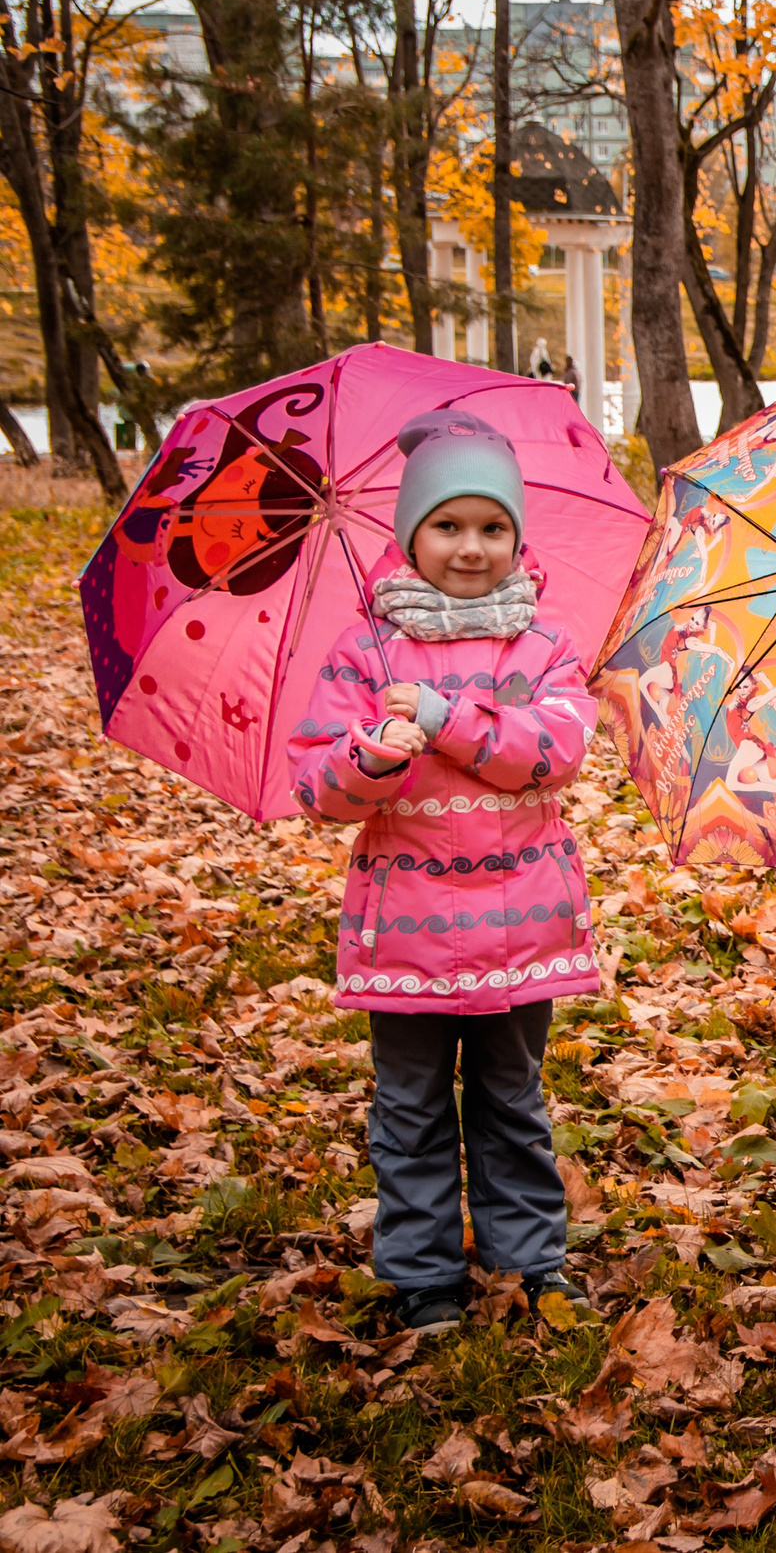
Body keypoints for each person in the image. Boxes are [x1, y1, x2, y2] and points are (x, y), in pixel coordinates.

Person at [288, 412, 599, 1333]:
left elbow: (556, 750)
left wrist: (447, 716)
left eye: (492, 527)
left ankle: (530, 1258)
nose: (472, 547)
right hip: (408, 930)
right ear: (409, 534)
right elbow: (317, 785)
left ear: (518, 535)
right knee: (411, 1106)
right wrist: (372, 758)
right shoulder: (362, 653)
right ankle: (422, 1272)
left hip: (522, 921)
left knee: (512, 1099)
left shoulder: (543, 647)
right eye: (449, 526)